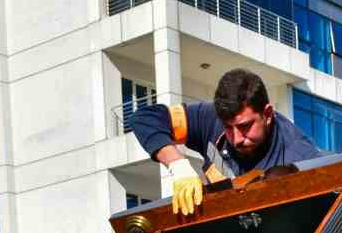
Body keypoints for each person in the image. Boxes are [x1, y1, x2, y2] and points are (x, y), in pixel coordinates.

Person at [129, 67, 321, 216]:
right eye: (228, 127)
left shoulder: (301, 159)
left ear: (268, 114)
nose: (236, 139)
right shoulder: (209, 118)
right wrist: (178, 166)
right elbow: (145, 119)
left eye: (245, 126)